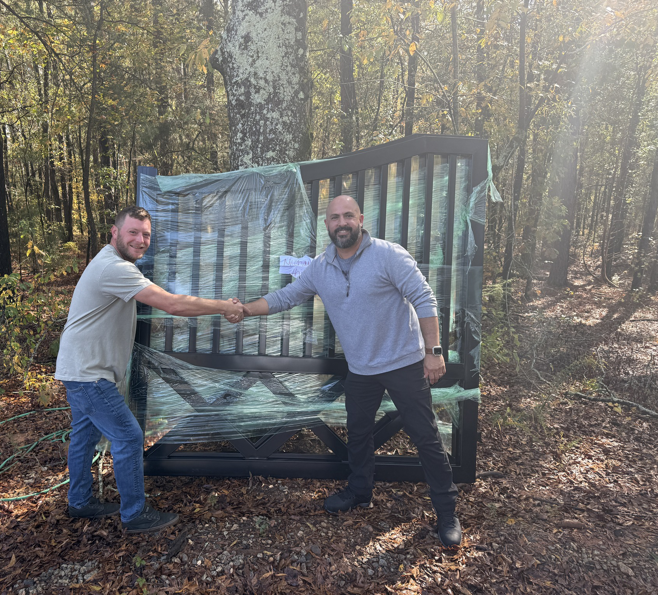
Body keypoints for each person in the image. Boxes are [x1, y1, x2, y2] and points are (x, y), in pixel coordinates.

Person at [240, 195, 462, 547]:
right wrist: (246, 310)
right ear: (326, 225)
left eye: (347, 216)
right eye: (333, 218)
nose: (341, 223)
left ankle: (447, 512)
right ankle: (360, 491)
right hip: (361, 369)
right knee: (358, 435)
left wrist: (434, 352)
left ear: (360, 219)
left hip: (404, 363)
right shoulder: (320, 266)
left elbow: (424, 298)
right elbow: (287, 297)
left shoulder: (388, 255)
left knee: (426, 438)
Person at [55, 205, 244, 533]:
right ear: (115, 232)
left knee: (85, 436)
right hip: (89, 374)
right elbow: (172, 304)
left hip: (79, 369)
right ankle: (134, 515)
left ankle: (80, 501)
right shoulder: (114, 268)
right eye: (133, 232)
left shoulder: (110, 262)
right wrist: (223, 306)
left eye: (146, 235)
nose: (141, 240)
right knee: (128, 436)